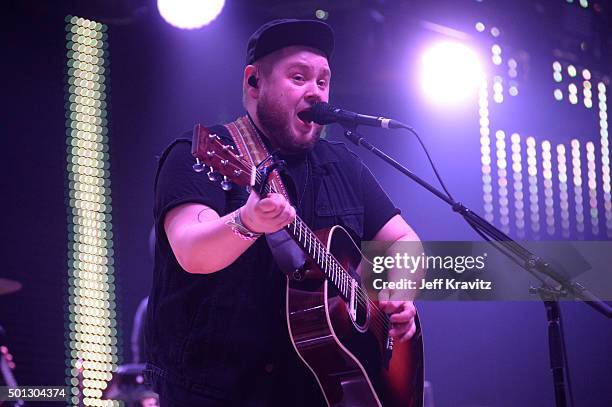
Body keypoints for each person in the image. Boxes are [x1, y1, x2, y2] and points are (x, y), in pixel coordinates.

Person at [144, 19, 421, 406]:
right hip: (216, 392)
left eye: (323, 81)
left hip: (318, 393)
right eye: (298, 77)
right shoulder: (202, 154)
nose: (315, 93)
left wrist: (396, 293)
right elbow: (191, 251)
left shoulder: (343, 164)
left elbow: (405, 241)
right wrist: (248, 221)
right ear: (253, 82)